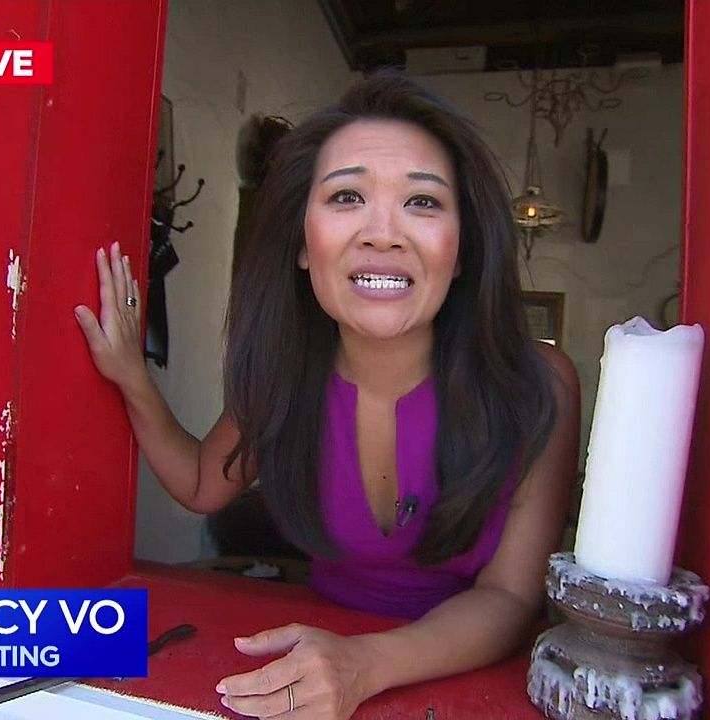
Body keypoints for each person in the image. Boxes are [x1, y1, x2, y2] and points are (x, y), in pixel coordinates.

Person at [74, 73, 580, 720]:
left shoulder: (538, 387)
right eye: (347, 196)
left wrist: (364, 665)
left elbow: (510, 596)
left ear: (461, 252)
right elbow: (203, 483)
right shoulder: (286, 373)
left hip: (469, 685)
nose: (383, 233)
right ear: (302, 247)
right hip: (315, 668)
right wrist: (131, 375)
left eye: (422, 202)